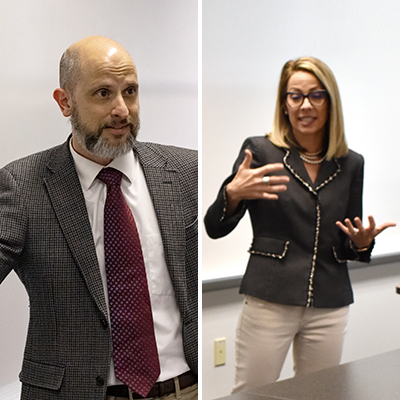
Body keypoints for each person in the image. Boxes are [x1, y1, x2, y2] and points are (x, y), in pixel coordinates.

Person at [0, 36, 197, 400]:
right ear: (65, 102)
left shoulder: (188, 173)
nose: (122, 109)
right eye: (103, 93)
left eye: (131, 91)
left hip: (183, 387)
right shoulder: (22, 185)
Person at [204, 56, 395, 392]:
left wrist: (362, 243)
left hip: (329, 301)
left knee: (320, 394)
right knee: (252, 394)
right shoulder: (260, 151)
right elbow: (213, 227)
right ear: (284, 103)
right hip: (269, 299)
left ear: (330, 102)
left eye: (316, 95)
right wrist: (232, 194)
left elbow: (347, 241)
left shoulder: (351, 164)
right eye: (296, 96)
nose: (305, 105)